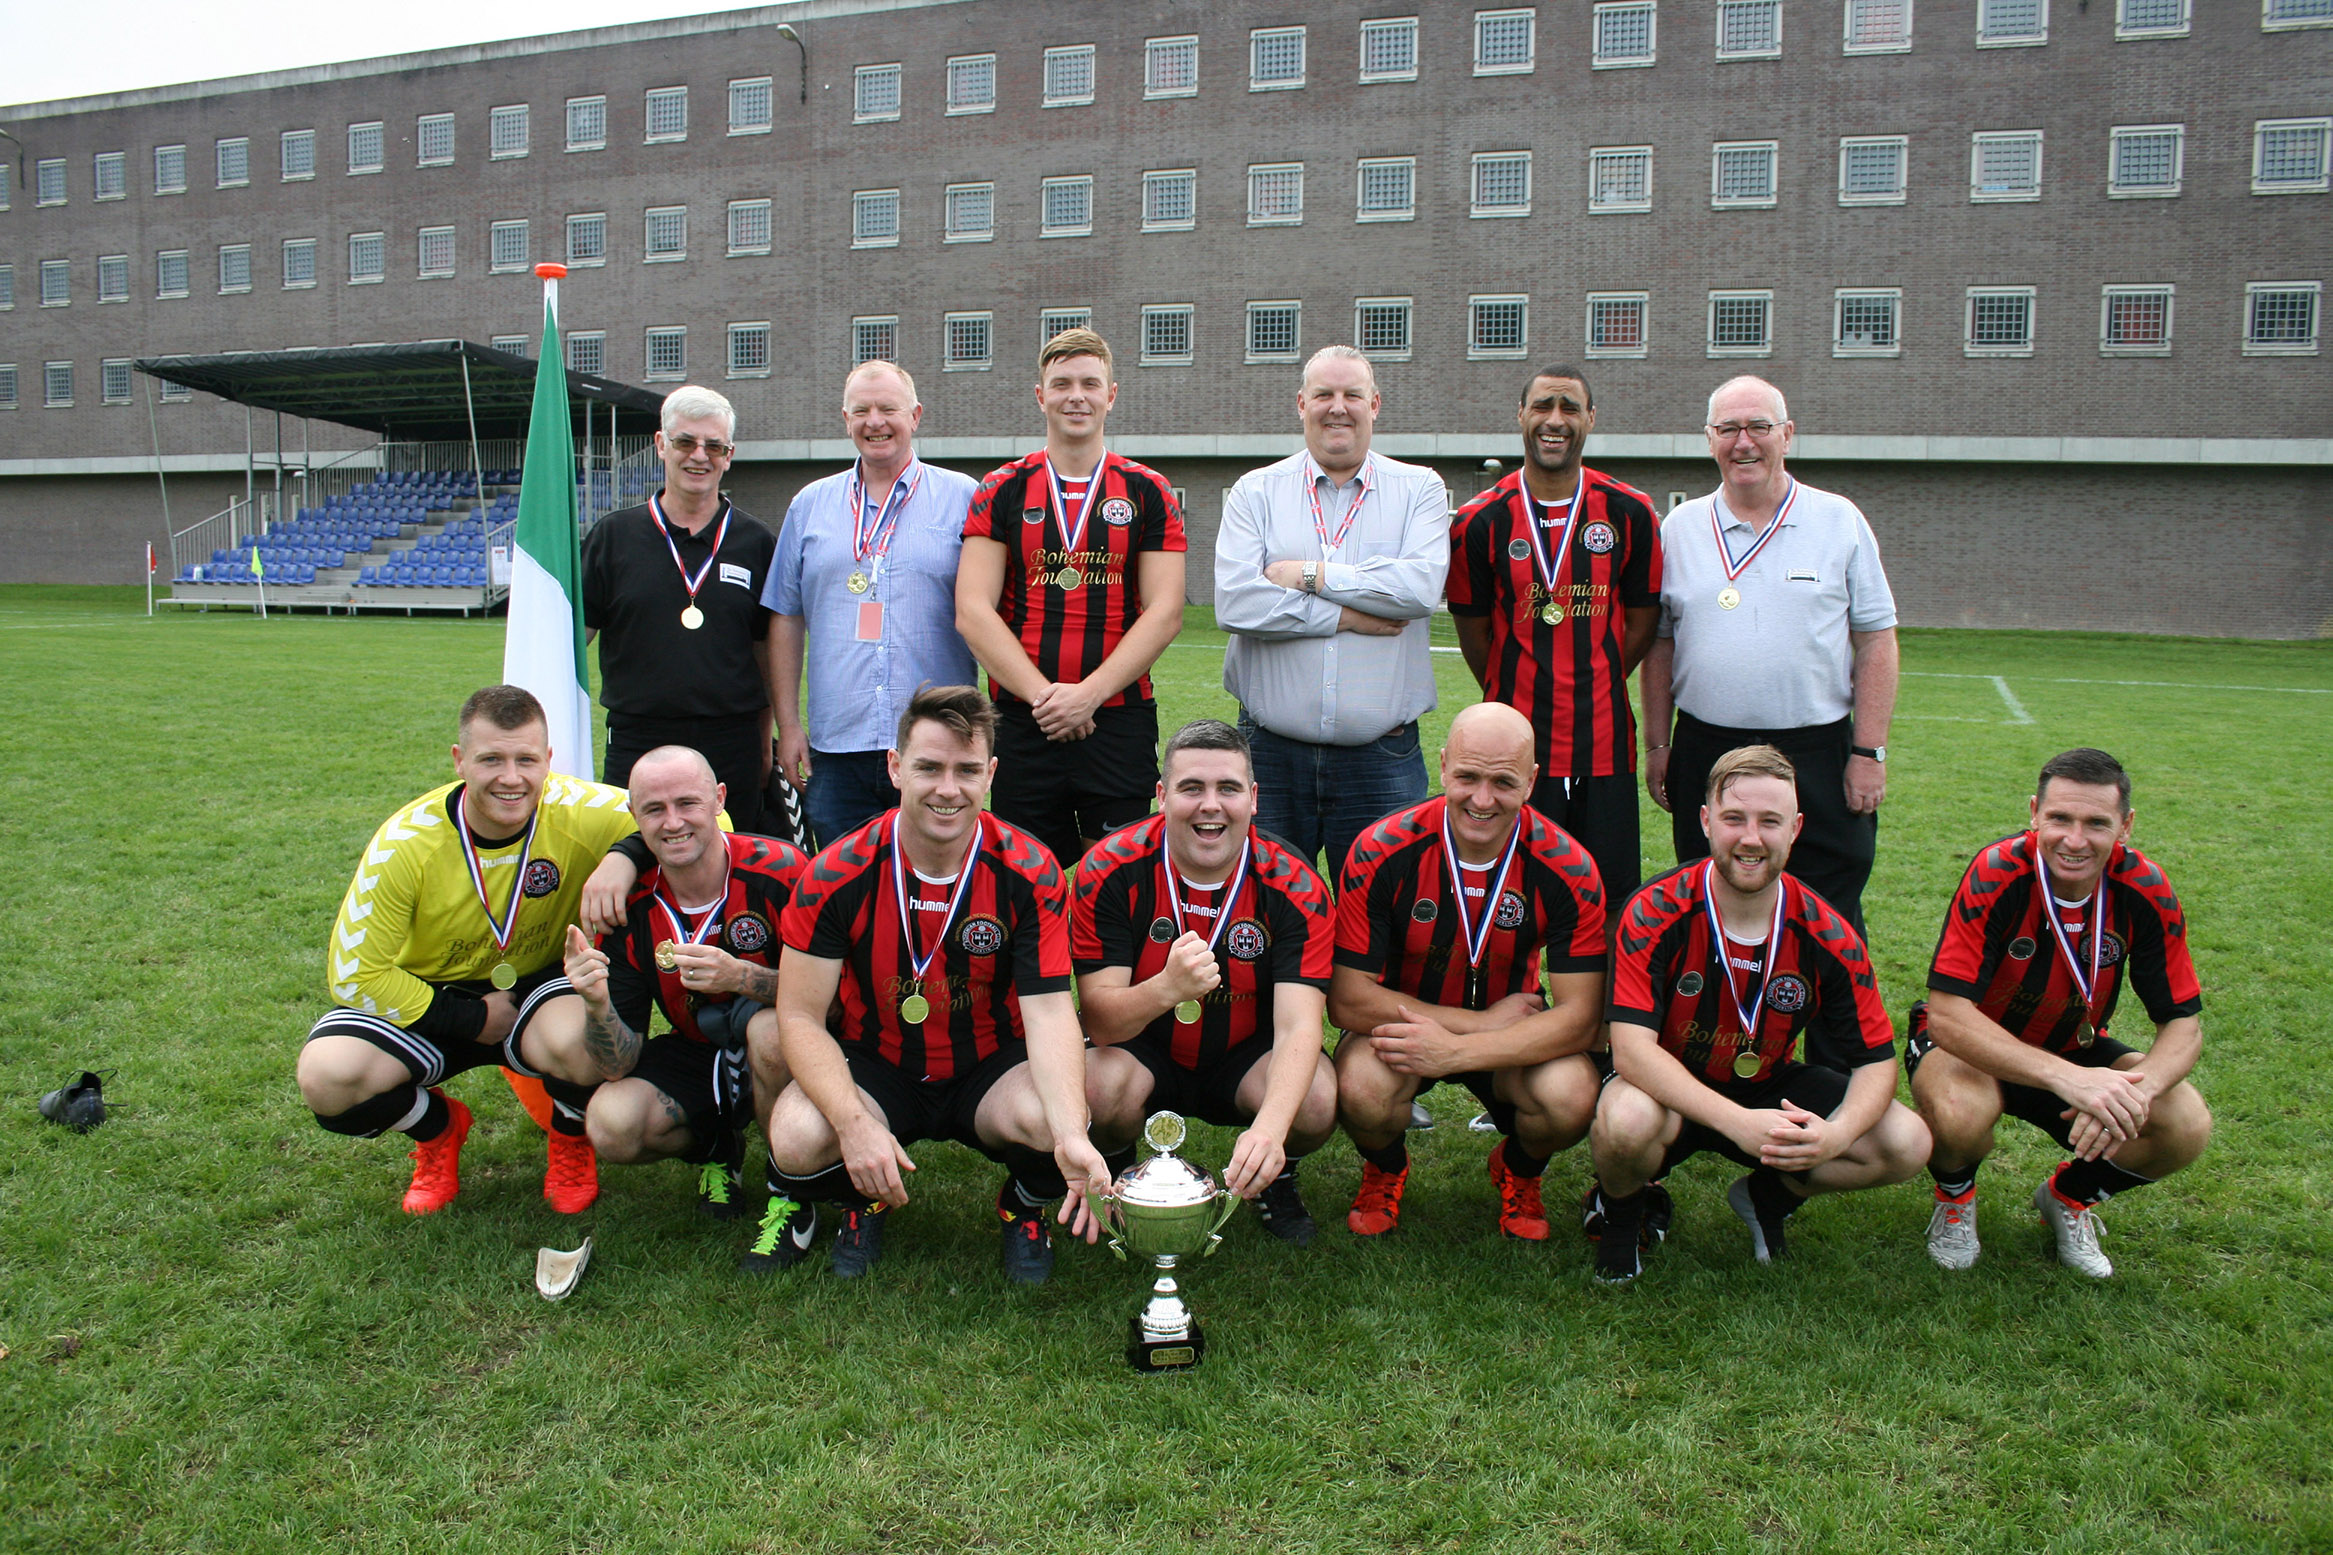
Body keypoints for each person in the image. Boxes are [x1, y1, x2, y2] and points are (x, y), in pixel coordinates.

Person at [756, 685, 1112, 1284]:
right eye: (929, 768)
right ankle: (862, 1197)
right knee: (795, 1137)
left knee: (1064, 1116)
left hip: (991, 1065)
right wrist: (853, 1125)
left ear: (991, 774)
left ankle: (1022, 1206)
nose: (949, 789)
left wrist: (1072, 1133)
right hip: (877, 1062)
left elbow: (1052, 1012)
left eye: (967, 771)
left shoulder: (1031, 870)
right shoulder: (836, 872)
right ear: (896, 768)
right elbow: (798, 1016)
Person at [293, 685, 642, 1217]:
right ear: (460, 761)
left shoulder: (584, 809)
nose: (511, 778)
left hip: (536, 987)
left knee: (591, 1042)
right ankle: (438, 1131)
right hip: (429, 994)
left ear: (548, 759)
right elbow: (352, 974)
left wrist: (626, 854)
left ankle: (570, 1137)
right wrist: (467, 1018)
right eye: (491, 759)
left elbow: (707, 823)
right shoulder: (404, 843)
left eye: (527, 760)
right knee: (328, 1077)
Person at [1588, 745, 1928, 1283]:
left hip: (1767, 1085)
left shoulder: (1830, 933)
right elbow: (1631, 1052)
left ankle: (1766, 1197)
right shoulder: (1654, 909)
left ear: (1795, 828)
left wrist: (1836, 1136)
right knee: (1626, 1120)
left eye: (1770, 821)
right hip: (1665, 1087)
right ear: (1705, 822)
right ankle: (1622, 1218)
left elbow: (1875, 1063)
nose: (1751, 838)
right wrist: (1736, 1123)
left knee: (1906, 1143)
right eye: (1734, 819)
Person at [1909, 747, 2210, 1278]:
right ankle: (1955, 1197)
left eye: (2097, 823)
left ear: (2125, 825)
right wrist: (2070, 1079)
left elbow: (2183, 1026)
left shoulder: (2145, 887)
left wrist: (2135, 1095)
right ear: (2034, 814)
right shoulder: (1998, 872)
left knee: (2185, 1122)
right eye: (2060, 819)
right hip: (1973, 1045)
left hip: (2074, 1042)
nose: (2074, 840)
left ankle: (2068, 1198)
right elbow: (1948, 1015)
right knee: (1959, 1111)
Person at [1329, 703, 1610, 1242]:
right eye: (1467, 777)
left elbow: (1581, 1019)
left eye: (1503, 782)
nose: (1482, 800)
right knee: (1360, 1087)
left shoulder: (1568, 866)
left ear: (1531, 781)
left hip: (1509, 1041)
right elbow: (1346, 1000)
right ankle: (1386, 1165)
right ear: (1442, 767)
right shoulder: (1382, 849)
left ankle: (1519, 1168)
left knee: (1571, 1096)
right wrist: (1476, 1025)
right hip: (1409, 1028)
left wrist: (1458, 1052)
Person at [1638, 376, 1898, 933]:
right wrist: (1658, 745)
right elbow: (1659, 643)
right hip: (1706, 746)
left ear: (1787, 434)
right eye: (1728, 428)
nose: (1744, 442)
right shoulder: (1679, 528)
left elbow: (1876, 638)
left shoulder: (1839, 520)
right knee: (1712, 898)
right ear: (1709, 439)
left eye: (1759, 426)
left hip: (1817, 750)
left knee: (1829, 905)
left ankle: (1829, 995)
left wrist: (1869, 752)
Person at [1074, 719, 1338, 1246]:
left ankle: (1273, 1172)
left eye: (1228, 789)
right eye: (1191, 788)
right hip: (1139, 1049)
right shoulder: (1108, 868)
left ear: (1254, 798)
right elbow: (1099, 1022)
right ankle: (1117, 1167)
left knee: (1313, 1100)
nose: (1210, 806)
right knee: (1095, 1086)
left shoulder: (1295, 883)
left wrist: (1271, 1129)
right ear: (1161, 796)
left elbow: (1300, 1027)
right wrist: (1166, 989)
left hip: (1248, 1055)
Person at [1214, 345, 1451, 880]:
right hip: (1269, 756)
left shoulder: (1420, 489)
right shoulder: (1256, 491)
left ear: (1375, 404)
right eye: (1324, 394)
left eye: (1352, 395)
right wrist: (1347, 617)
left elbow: (1417, 590)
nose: (1337, 407)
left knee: (1384, 912)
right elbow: (1235, 602)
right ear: (1302, 403)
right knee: (1264, 908)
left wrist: (1310, 575)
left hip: (1382, 761)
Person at [957, 328, 1187, 870]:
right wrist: (1049, 699)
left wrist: (1089, 695)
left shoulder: (1148, 489)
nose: (1076, 396)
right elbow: (972, 610)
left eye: (1089, 383)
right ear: (1041, 396)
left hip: (1119, 719)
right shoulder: (1001, 487)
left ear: (1112, 394)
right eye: (1061, 384)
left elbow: (1166, 611)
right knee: (1026, 878)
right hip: (1023, 719)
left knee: (1116, 877)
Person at [550, 745, 809, 1225]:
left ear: (719, 800)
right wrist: (597, 1004)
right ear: (634, 816)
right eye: (654, 809)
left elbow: (835, 1002)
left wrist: (741, 977)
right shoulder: (626, 904)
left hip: (791, 1043)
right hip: (696, 1048)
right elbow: (617, 1063)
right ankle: (717, 1147)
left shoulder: (782, 870)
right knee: (612, 1125)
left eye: (687, 803)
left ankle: (790, 1187)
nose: (672, 823)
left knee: (769, 1034)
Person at [1449, 365, 1662, 900]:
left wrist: (1595, 674)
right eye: (1543, 406)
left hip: (1604, 740)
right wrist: (1518, 683)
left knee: (1607, 898)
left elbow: (1642, 623)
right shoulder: (1479, 520)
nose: (1555, 420)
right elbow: (1474, 634)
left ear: (1591, 418)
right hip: (1511, 746)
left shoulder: (1631, 512)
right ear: (1521, 414)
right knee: (1510, 895)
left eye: (1570, 407)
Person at [766, 361, 979, 848]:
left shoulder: (965, 497)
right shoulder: (809, 505)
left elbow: (990, 611)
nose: (875, 422)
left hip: (939, 743)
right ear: (846, 419)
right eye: (861, 411)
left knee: (937, 874)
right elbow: (785, 615)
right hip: (837, 747)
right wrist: (789, 725)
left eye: (888, 409)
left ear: (916, 415)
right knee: (843, 880)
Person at [581, 385, 779, 833]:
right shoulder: (612, 537)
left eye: (714, 446)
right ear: (660, 444)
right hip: (638, 737)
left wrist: (765, 741)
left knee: (730, 855)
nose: (699, 456)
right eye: (685, 442)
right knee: (636, 851)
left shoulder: (757, 543)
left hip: (731, 739)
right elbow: (571, 643)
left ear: (729, 455)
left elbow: (765, 653)